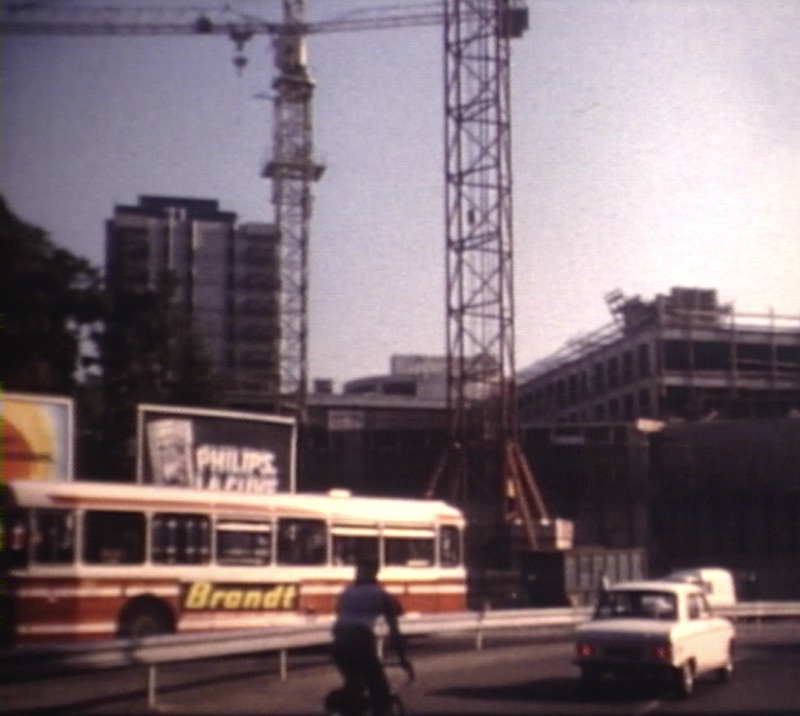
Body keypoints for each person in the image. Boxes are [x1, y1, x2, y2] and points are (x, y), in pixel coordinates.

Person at [330, 559, 414, 715]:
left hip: (338, 646)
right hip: (360, 643)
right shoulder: (382, 595)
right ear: (376, 573)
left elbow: (341, 618)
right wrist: (402, 658)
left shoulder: (346, 593)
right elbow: (394, 631)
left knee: (354, 684)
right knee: (380, 692)